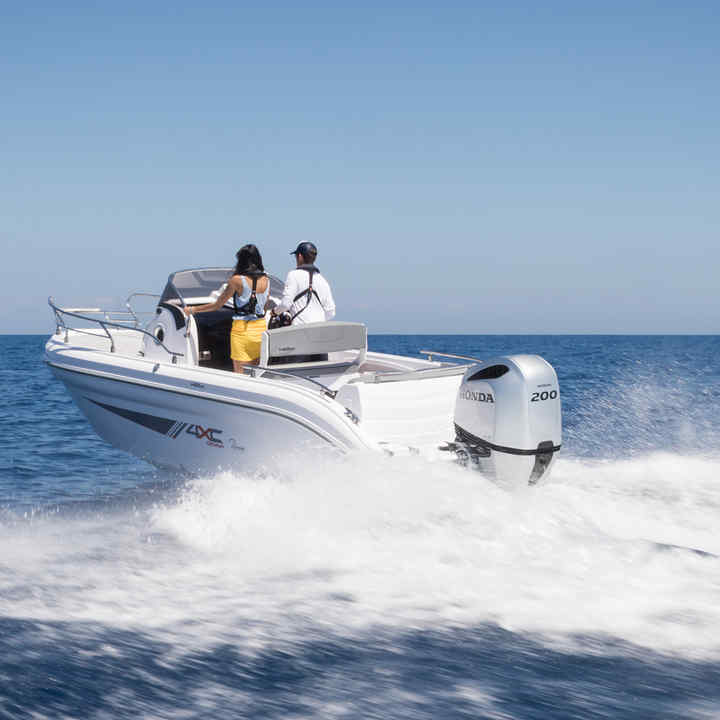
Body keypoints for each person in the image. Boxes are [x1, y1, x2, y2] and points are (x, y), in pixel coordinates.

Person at [183, 244, 269, 372]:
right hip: (260, 330)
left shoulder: (236, 280)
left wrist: (193, 310)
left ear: (241, 261)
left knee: (240, 375)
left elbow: (217, 305)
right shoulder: (265, 280)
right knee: (257, 373)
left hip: (242, 331)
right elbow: (265, 307)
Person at [271, 242, 336, 325]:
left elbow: (286, 304)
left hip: (300, 329)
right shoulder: (323, 281)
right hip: (319, 330)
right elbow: (331, 311)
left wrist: (274, 312)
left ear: (300, 257)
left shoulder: (293, 275)